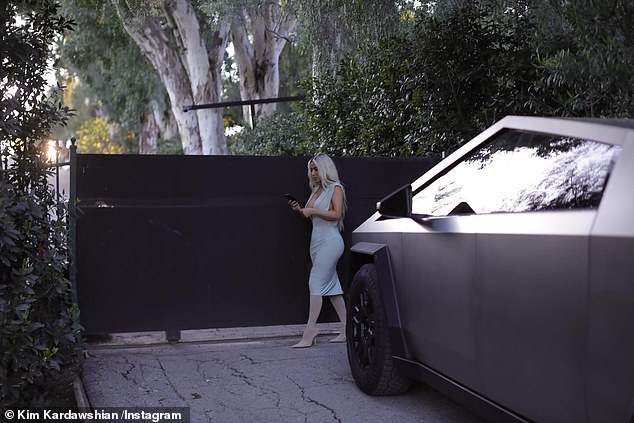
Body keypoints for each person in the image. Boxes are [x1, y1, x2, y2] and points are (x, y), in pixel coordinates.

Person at [288, 153, 347, 348]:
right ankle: (347, 329)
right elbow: (311, 216)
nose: (313, 173)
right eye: (311, 169)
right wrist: (300, 210)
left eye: (316, 169)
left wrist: (312, 211)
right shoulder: (316, 191)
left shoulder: (335, 188)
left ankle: (310, 331)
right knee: (332, 288)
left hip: (331, 241)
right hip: (317, 242)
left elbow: (336, 214)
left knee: (315, 282)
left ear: (325, 169)